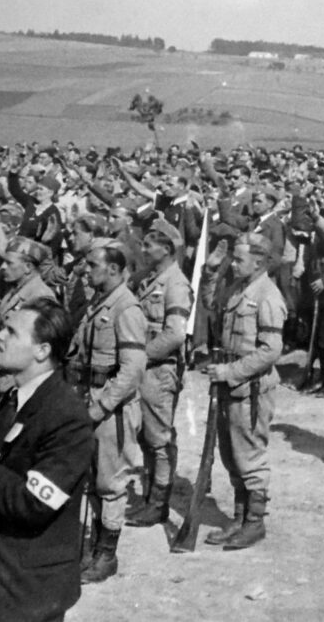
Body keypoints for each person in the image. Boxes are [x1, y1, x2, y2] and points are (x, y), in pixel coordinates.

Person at [0, 297, 93, 622]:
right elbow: (11, 473)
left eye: (12, 332)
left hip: (30, 591)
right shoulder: (16, 400)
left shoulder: (66, 416)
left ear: (42, 351)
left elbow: (35, 502)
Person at [68, 241, 147, 583]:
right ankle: (96, 546)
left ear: (113, 269)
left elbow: (132, 370)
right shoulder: (98, 303)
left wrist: (100, 407)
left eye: (92, 265)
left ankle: (106, 555)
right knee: (93, 479)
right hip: (90, 400)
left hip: (111, 410)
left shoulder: (126, 308)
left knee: (110, 482)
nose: (86, 271)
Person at [200, 232, 286, 549]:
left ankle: (254, 522)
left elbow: (270, 350)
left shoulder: (268, 296)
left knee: (250, 457)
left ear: (258, 261)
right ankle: (239, 517)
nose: (233, 264)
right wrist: (211, 272)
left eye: (239, 259)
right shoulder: (239, 288)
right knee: (232, 456)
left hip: (251, 389)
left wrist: (229, 372)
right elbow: (211, 304)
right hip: (231, 387)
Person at [126, 219, 193, 527]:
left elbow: (175, 334)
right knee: (146, 436)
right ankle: (151, 495)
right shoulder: (150, 279)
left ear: (166, 249)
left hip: (160, 370)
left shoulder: (175, 284)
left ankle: (158, 503)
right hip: (147, 368)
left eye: (149, 245)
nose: (143, 250)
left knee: (159, 439)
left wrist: (140, 358)